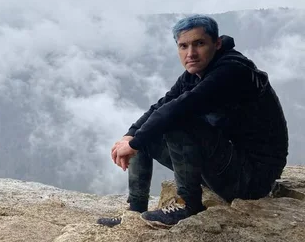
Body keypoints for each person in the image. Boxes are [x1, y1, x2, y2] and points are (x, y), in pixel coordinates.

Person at [98, 14, 289, 228]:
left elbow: (180, 108)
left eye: (199, 43)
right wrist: (130, 136)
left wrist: (133, 143)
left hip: (252, 179)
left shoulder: (232, 70)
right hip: (224, 166)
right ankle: (136, 209)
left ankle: (189, 205)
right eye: (183, 46)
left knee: (175, 121)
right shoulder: (195, 73)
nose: (191, 53)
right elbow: (162, 105)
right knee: (147, 132)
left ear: (216, 44)